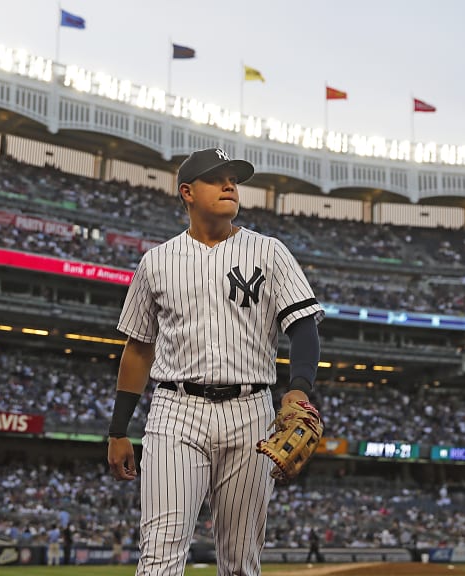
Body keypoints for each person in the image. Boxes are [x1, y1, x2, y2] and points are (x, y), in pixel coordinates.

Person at [107, 147, 324, 575]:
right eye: (216, 178)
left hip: (251, 412)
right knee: (159, 555)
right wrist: (118, 429)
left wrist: (298, 387)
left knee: (241, 562)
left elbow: (303, 326)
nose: (229, 185)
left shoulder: (271, 252)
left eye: (233, 179)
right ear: (187, 192)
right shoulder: (155, 262)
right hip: (175, 410)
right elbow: (138, 348)